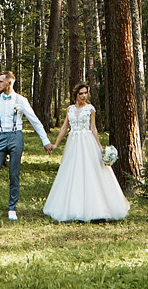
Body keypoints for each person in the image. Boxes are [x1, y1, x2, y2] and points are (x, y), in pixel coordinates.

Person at [44, 82, 130, 222]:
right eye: (81, 93)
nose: (84, 96)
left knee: (92, 172)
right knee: (73, 172)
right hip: (73, 143)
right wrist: (55, 144)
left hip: (87, 141)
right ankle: (73, 208)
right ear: (76, 95)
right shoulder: (70, 109)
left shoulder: (90, 109)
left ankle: (98, 208)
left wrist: (100, 147)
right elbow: (65, 127)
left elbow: (93, 128)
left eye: (86, 93)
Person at [0, 71, 50, 222]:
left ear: (9, 83)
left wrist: (45, 141)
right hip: (1, 137)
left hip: (16, 136)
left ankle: (12, 208)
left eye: (1, 81)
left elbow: (34, 120)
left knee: (13, 173)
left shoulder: (21, 100)